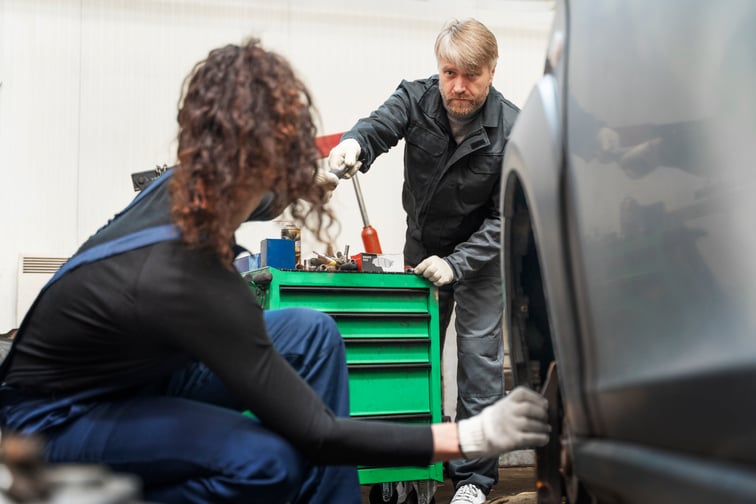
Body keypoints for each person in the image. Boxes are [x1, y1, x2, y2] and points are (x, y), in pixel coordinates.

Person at [0, 38, 550, 504]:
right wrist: (464, 436)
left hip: (134, 370)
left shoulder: (191, 182)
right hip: (54, 426)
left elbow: (264, 199)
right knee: (267, 460)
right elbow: (318, 432)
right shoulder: (189, 277)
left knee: (312, 331)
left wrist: (322, 170)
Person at [328, 18, 519, 504]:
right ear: (439, 69)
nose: (458, 86)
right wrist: (354, 144)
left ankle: (473, 480)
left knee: (477, 365)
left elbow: (508, 218)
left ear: (492, 71)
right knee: (413, 357)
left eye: (471, 76)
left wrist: (458, 262)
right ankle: (407, 466)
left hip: (480, 257)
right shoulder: (416, 99)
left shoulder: (513, 130)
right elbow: (379, 126)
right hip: (422, 249)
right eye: (449, 72)